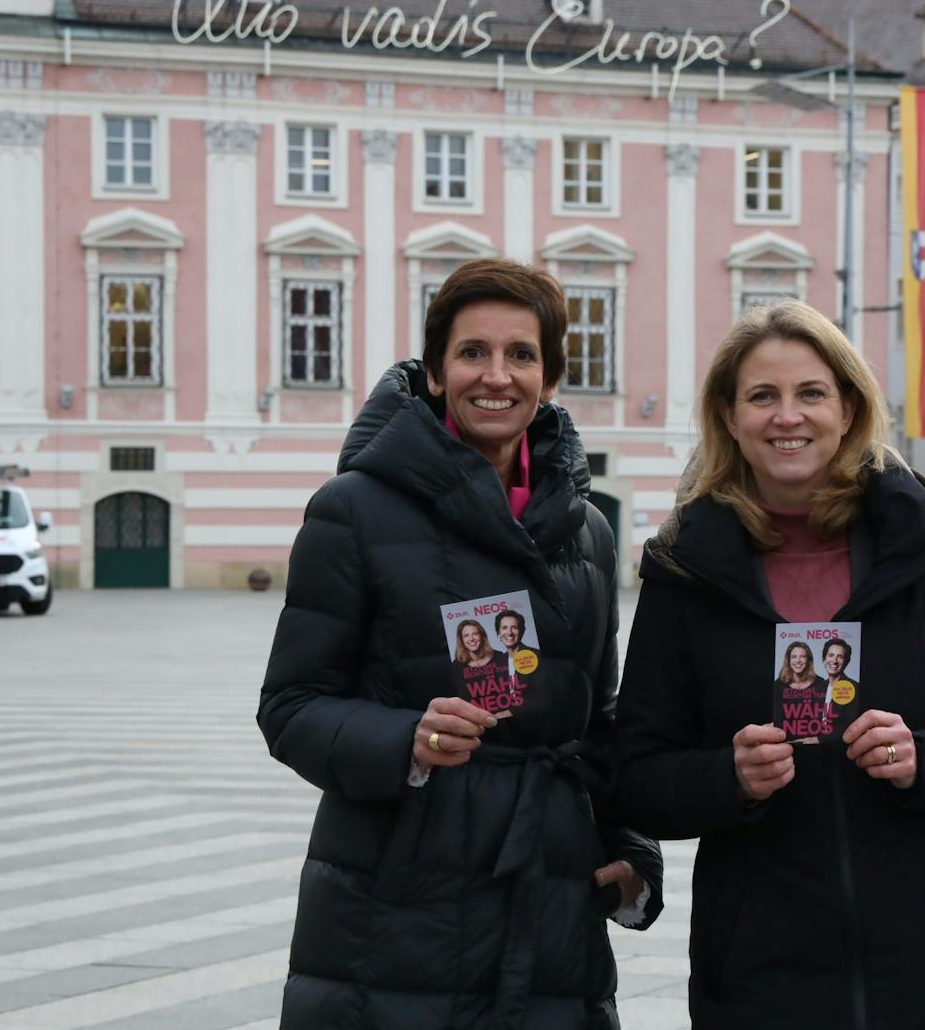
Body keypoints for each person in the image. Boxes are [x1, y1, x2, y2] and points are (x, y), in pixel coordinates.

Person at [613, 300, 925, 1029]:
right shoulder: (683, 571)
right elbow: (634, 770)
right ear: (729, 416)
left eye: (810, 393)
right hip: (762, 974)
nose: (788, 416)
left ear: (848, 408)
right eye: (763, 396)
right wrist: (727, 777)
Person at [259, 258, 663, 1029]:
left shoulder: (590, 530)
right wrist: (407, 738)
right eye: (473, 351)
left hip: (548, 903)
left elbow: (599, 719)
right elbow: (290, 706)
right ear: (437, 371)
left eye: (521, 354)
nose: (496, 375)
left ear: (549, 378)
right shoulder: (353, 510)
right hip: (397, 903)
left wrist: (629, 845)